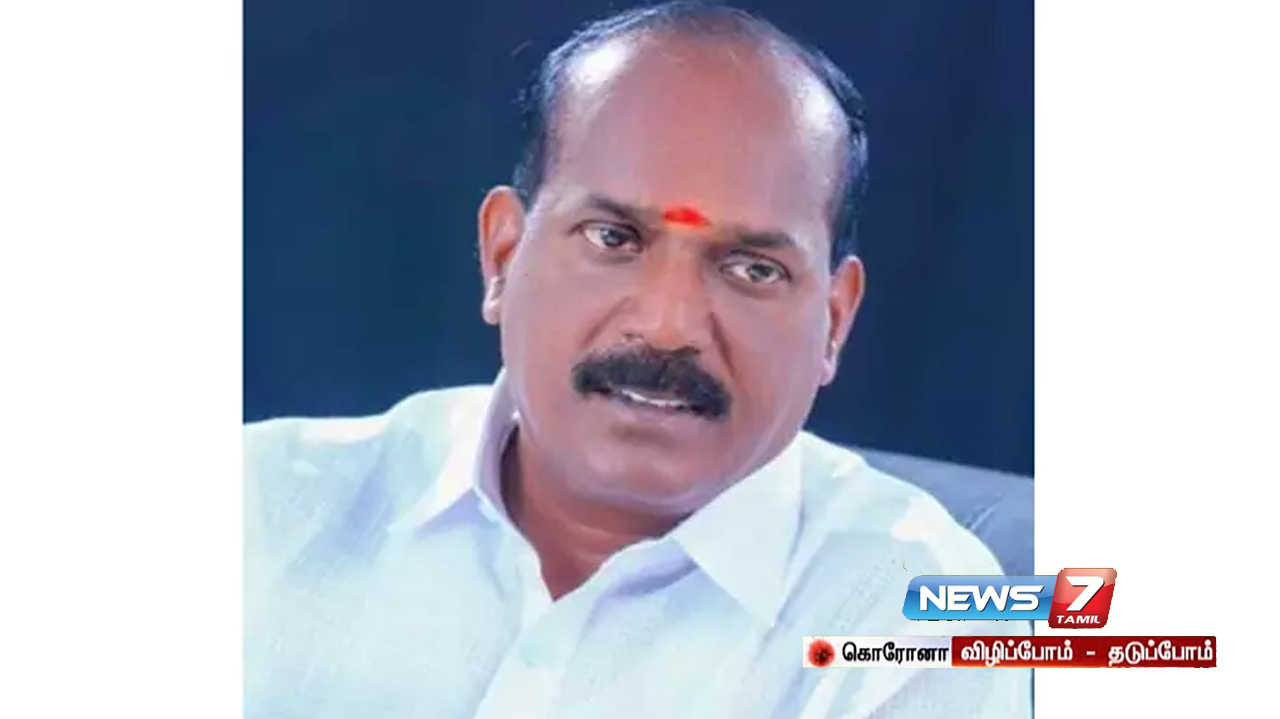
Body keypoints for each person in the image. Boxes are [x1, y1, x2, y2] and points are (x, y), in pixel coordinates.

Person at [243, 2, 1031, 717]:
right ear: (502, 256)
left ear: (834, 321)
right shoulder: (257, 505)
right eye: (613, 238)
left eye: (753, 268)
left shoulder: (912, 620)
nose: (668, 325)